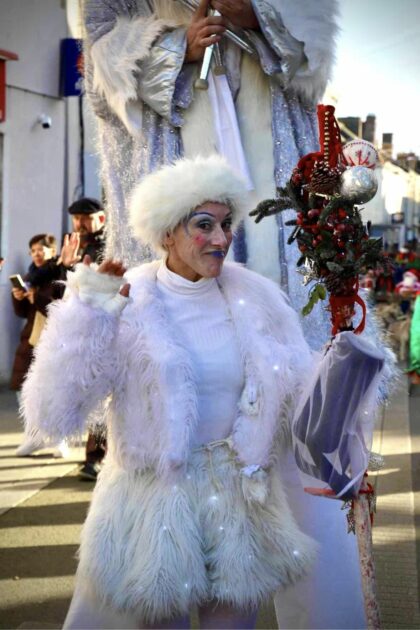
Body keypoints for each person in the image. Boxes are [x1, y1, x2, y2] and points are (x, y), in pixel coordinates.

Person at [22, 157, 377, 629]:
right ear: (167, 232)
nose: (221, 239)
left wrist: (347, 354)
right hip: (155, 508)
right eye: (203, 225)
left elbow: (298, 397)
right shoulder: (126, 298)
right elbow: (55, 413)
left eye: (226, 224)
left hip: (238, 504)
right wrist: (89, 317)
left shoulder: (257, 299)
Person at [82, 0, 338, 347]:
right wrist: (175, 49)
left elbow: (313, 50)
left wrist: (259, 18)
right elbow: (101, 69)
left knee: (286, 311)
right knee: (171, 330)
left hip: (273, 144)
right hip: (173, 136)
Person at [58, 197, 108, 480]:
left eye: (86, 218)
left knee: (102, 399)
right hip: (80, 333)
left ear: (101, 218)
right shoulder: (75, 246)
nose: (80, 223)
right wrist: (65, 266)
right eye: (76, 218)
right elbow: (60, 293)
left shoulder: (108, 245)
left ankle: (96, 458)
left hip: (105, 331)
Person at [11, 234, 68, 458]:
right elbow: (22, 313)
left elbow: (60, 308)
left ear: (52, 252)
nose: (36, 254)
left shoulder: (60, 274)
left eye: (41, 249)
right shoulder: (29, 278)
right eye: (33, 250)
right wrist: (18, 297)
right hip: (31, 341)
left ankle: (60, 439)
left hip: (55, 341)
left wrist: (37, 298)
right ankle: (34, 437)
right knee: (25, 391)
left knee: (56, 392)